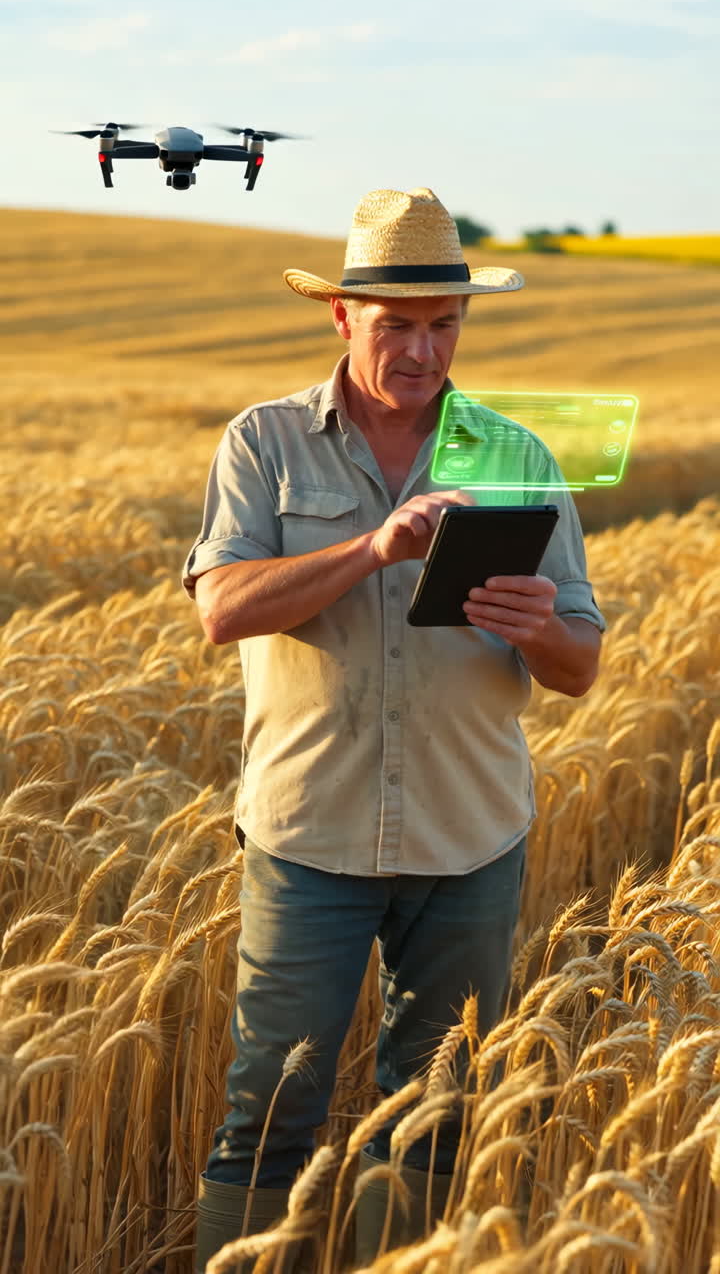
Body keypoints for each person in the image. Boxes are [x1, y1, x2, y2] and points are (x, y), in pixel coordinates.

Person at [183, 187, 605, 1272]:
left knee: (432, 1111)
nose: (421, 350)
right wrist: (374, 548)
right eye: (395, 325)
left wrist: (542, 626)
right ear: (341, 317)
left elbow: (581, 668)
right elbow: (222, 609)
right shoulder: (265, 442)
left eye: (443, 324)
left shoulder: (516, 452)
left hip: (470, 841)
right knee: (270, 1106)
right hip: (308, 834)